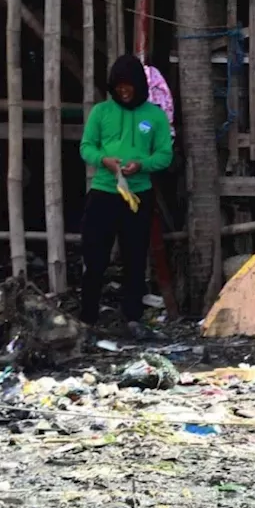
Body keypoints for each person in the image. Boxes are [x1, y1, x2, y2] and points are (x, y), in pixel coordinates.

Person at [78, 56, 173, 338]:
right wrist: (103, 160)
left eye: (129, 86)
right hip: (104, 192)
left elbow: (164, 155)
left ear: (139, 86)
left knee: (134, 256)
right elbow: (86, 147)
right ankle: (88, 317)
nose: (124, 91)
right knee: (95, 256)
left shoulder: (154, 116)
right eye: (119, 87)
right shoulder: (100, 112)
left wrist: (142, 165)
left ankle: (132, 317)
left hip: (138, 195)